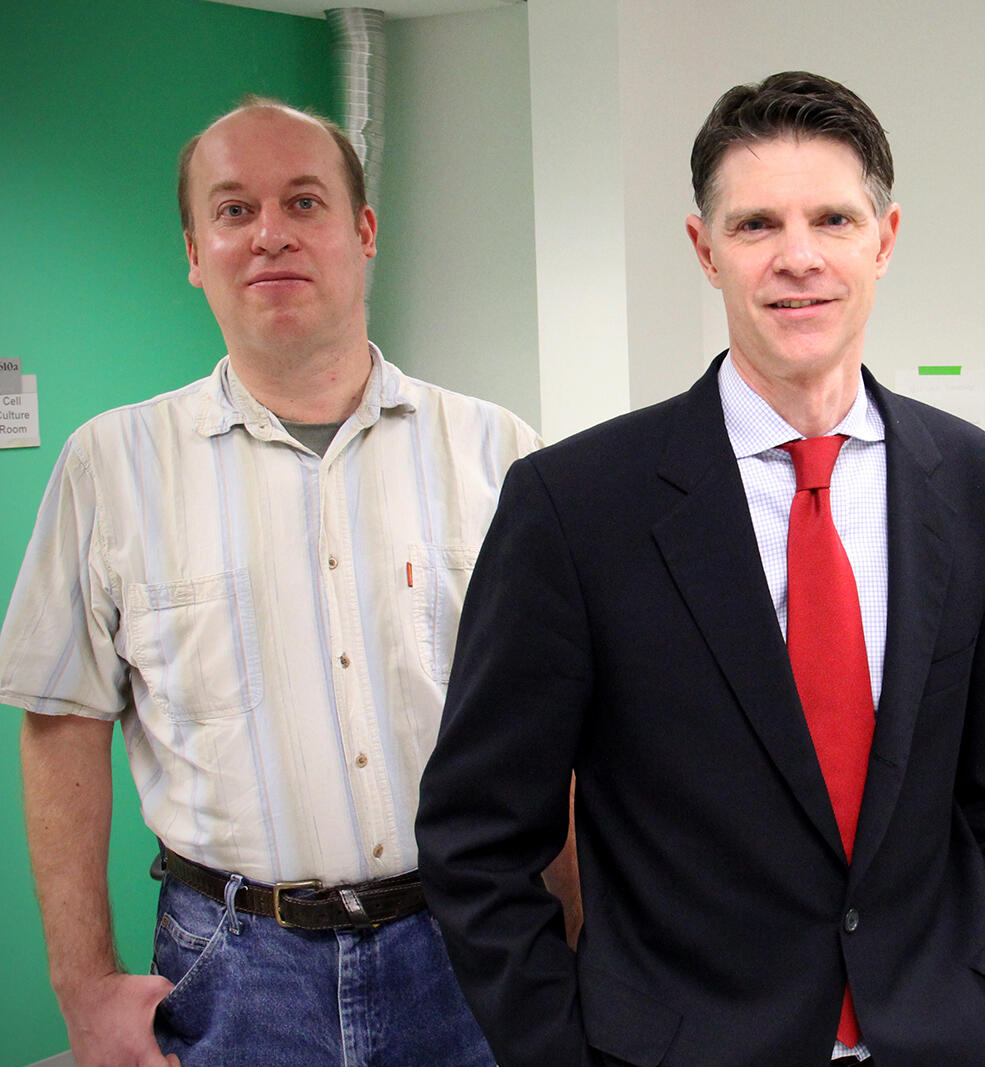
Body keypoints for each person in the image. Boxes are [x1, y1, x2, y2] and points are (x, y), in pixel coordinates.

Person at [416, 70, 985, 1067]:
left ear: (883, 240)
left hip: (942, 1036)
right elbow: (476, 837)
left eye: (833, 219)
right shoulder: (576, 506)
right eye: (756, 225)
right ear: (704, 249)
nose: (799, 257)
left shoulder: (977, 484)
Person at [0, 97, 572, 1066]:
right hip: (230, 967)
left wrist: (577, 944)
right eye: (234, 210)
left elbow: (556, 730)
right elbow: (61, 725)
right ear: (195, 251)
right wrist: (83, 985)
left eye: (304, 201)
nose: (270, 233)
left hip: (469, 945)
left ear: (364, 231)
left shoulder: (498, 454)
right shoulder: (111, 466)